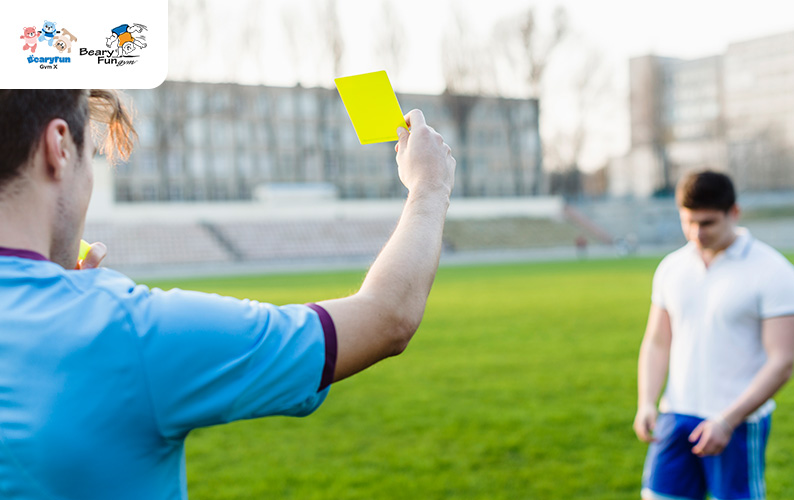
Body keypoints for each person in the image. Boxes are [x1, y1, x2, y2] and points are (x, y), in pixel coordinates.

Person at [0, 90, 455, 499]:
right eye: (90, 156)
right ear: (59, 147)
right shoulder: (126, 331)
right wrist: (429, 187)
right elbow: (385, 317)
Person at [633, 170, 794, 500]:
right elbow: (657, 341)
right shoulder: (672, 267)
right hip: (675, 414)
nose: (697, 233)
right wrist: (647, 401)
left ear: (733, 213)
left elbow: (782, 362)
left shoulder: (774, 271)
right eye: (688, 221)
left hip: (737, 422)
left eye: (707, 223)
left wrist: (728, 420)